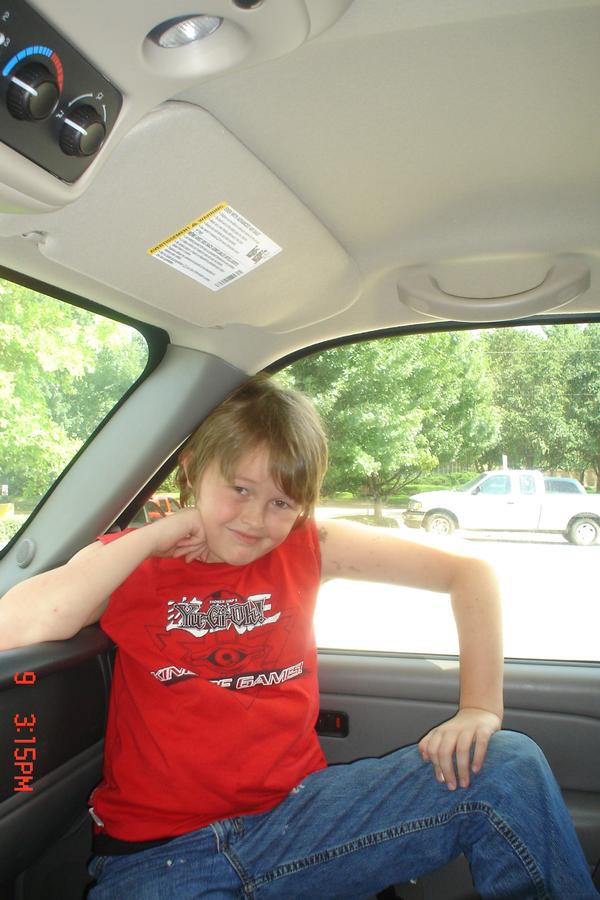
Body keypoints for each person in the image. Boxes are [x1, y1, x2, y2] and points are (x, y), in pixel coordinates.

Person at [1, 375, 597, 900]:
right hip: (160, 853)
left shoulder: (306, 544)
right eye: (239, 489)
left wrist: (479, 709)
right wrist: (160, 535)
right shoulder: (135, 560)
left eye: (281, 501)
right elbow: (18, 626)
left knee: (508, 765)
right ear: (192, 467)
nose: (255, 519)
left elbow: (469, 574)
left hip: (301, 821)